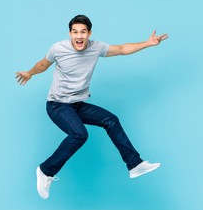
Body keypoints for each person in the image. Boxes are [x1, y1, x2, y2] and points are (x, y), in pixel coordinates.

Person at [15, 15, 168, 199]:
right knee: (79, 134)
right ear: (70, 33)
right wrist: (30, 73)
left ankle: (134, 165)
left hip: (77, 105)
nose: (79, 36)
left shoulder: (96, 47)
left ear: (89, 33)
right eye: (75, 32)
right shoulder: (58, 49)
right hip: (57, 105)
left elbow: (122, 49)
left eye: (83, 32)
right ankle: (45, 170)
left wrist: (148, 43)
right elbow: (43, 64)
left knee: (111, 120)